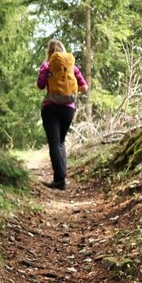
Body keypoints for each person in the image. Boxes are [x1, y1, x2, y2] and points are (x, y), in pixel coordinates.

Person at [36, 39, 88, 190]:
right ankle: (62, 177)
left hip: (51, 108)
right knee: (61, 142)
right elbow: (84, 87)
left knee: (54, 143)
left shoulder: (47, 65)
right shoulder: (72, 67)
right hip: (68, 109)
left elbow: (40, 86)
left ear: (50, 52)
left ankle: (59, 180)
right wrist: (69, 91)